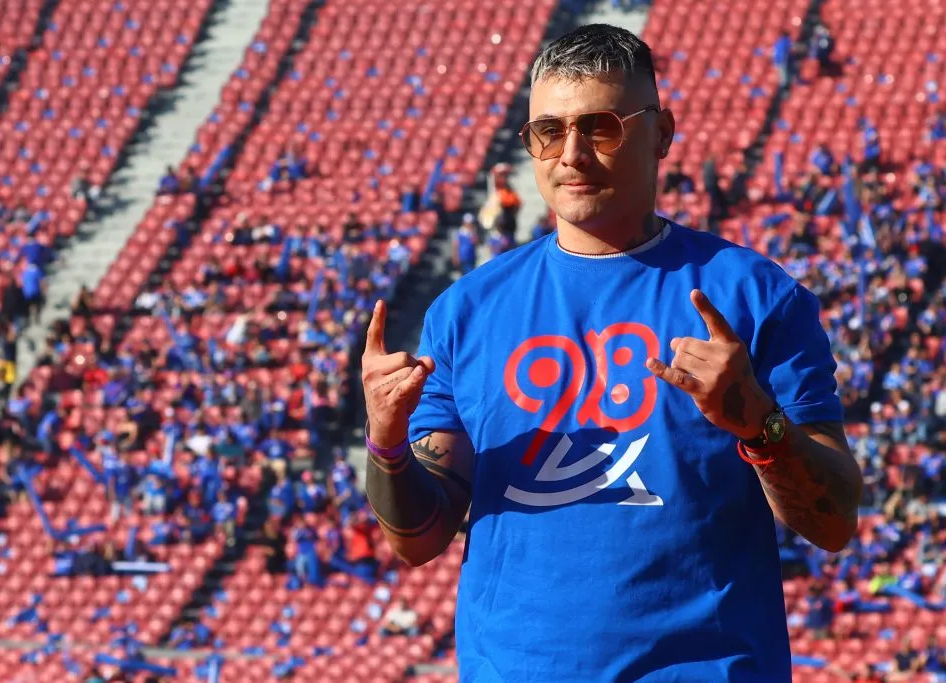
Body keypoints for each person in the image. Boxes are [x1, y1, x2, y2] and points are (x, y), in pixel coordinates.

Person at [360, 24, 861, 682]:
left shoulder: (758, 296)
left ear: (661, 133)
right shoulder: (467, 310)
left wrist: (758, 423)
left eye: (600, 127)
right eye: (549, 131)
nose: (571, 154)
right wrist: (388, 441)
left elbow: (833, 521)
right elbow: (418, 537)